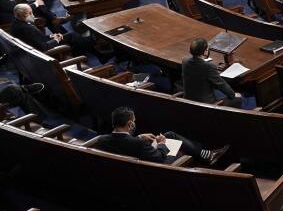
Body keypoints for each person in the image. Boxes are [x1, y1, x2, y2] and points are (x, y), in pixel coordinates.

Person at [96, 106, 227, 165]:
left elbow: (122, 144)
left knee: (170, 134)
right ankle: (206, 156)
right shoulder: (139, 144)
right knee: (179, 147)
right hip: (155, 166)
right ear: (130, 124)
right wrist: (162, 143)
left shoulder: (102, 140)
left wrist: (139, 136)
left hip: (135, 159)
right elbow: (159, 158)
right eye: (134, 121)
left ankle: (206, 154)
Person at [181, 37, 241, 105]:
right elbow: (221, 84)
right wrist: (233, 94)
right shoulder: (209, 66)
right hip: (205, 104)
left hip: (188, 101)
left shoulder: (185, 61)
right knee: (238, 98)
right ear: (205, 52)